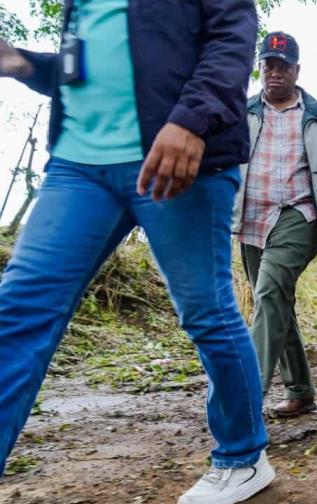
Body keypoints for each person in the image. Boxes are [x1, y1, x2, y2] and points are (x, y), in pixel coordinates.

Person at [0, 2, 273, 503]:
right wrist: (25, 64)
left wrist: (192, 120)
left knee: (206, 311)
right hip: (78, 164)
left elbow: (232, 35)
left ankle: (243, 457)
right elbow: (86, 68)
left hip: (175, 156)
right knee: (18, 310)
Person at [233, 32, 317, 418]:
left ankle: (247, 399)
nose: (275, 73)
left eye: (284, 66)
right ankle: (300, 391)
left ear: (297, 70)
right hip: (250, 221)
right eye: (269, 66)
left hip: (300, 216)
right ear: (260, 68)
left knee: (267, 294)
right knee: (277, 301)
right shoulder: (244, 113)